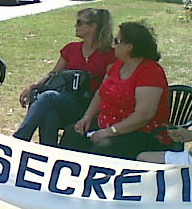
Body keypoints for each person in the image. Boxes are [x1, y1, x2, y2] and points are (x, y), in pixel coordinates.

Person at [59, 21, 171, 160]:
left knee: (102, 149)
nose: (113, 45)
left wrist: (110, 131)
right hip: (106, 124)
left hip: (141, 133)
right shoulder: (118, 65)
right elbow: (101, 92)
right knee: (73, 133)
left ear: (129, 46)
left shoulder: (151, 72)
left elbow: (143, 115)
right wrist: (87, 117)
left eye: (117, 41)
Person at [13, 8, 115, 146]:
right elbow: (53, 74)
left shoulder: (109, 55)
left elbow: (103, 90)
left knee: (49, 97)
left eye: (80, 22)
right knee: (50, 115)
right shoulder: (71, 49)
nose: (75, 26)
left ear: (93, 26)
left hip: (89, 106)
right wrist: (34, 86)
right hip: (68, 99)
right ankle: (48, 151)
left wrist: (88, 116)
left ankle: (19, 139)